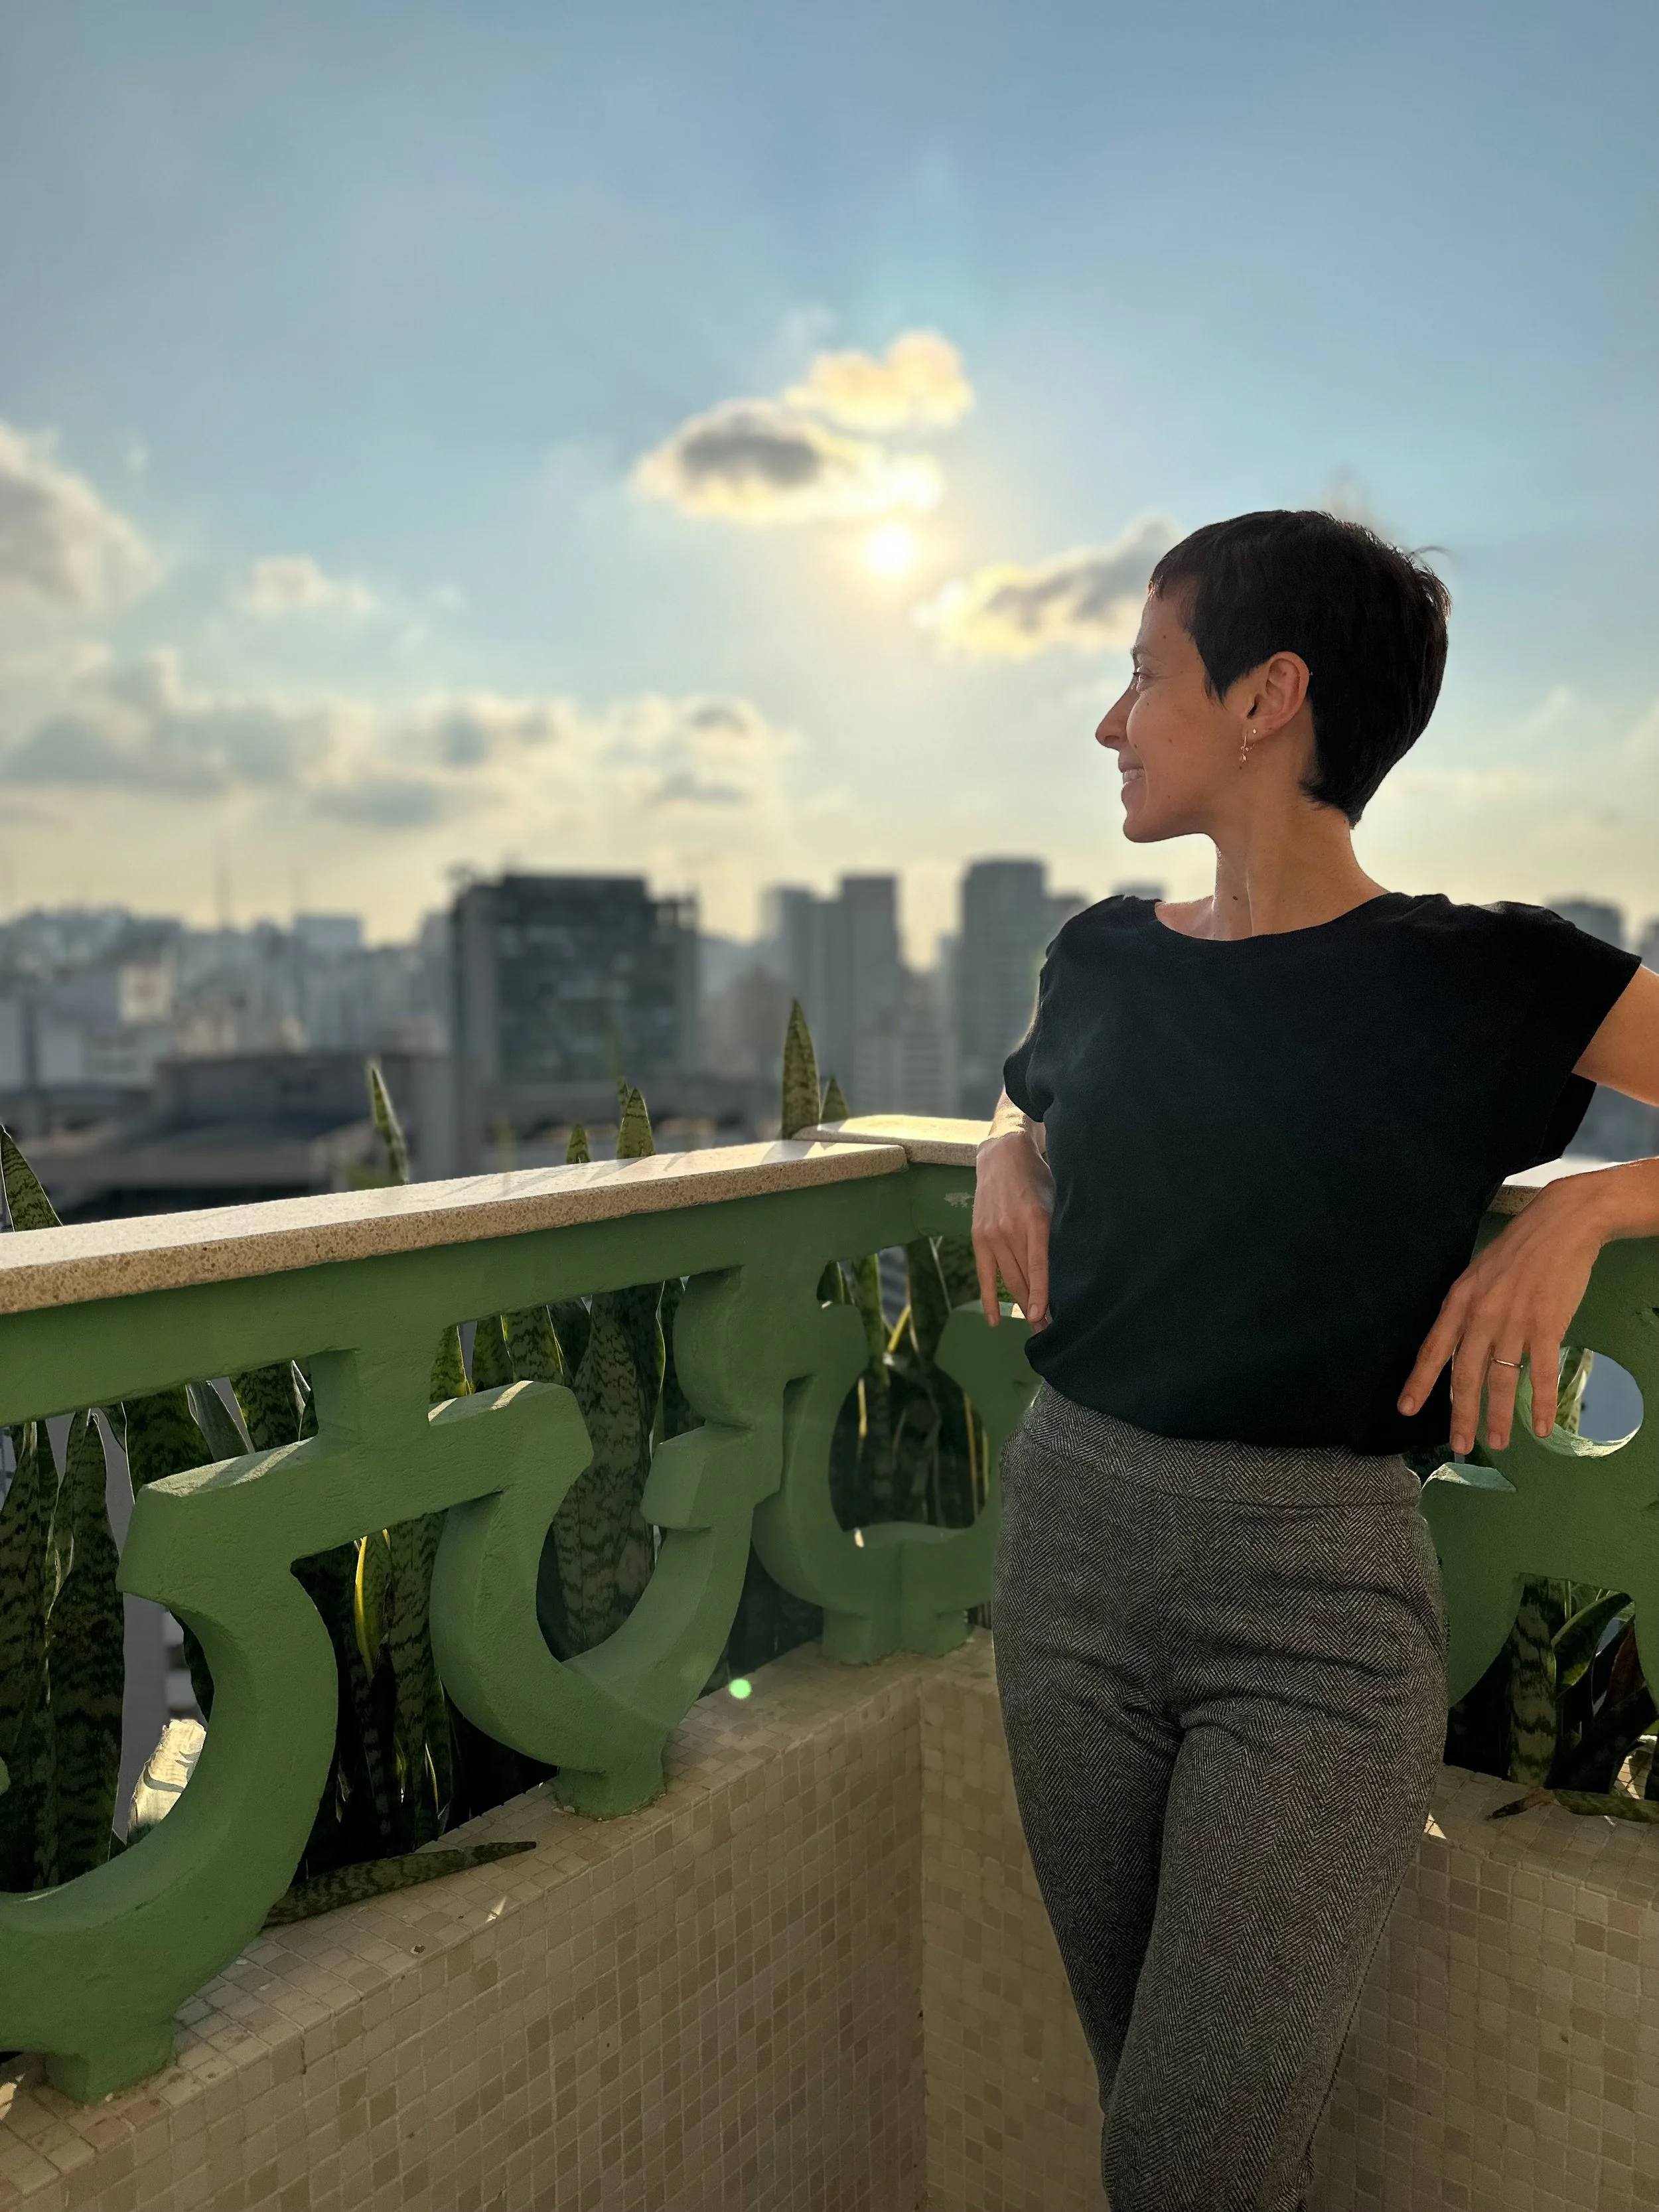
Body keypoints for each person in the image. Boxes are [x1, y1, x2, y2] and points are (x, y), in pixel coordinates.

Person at [970, 509, 1659, 2212]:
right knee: (1153, 2104)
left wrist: (1581, 1214)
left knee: (1188, 2155)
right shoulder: (1102, 952)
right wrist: (1000, 1146)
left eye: (1141, 674)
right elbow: (1028, 1085)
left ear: (1268, 695)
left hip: (1315, 1606)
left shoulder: (1480, 973)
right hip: (1067, 1550)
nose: (1108, 720)